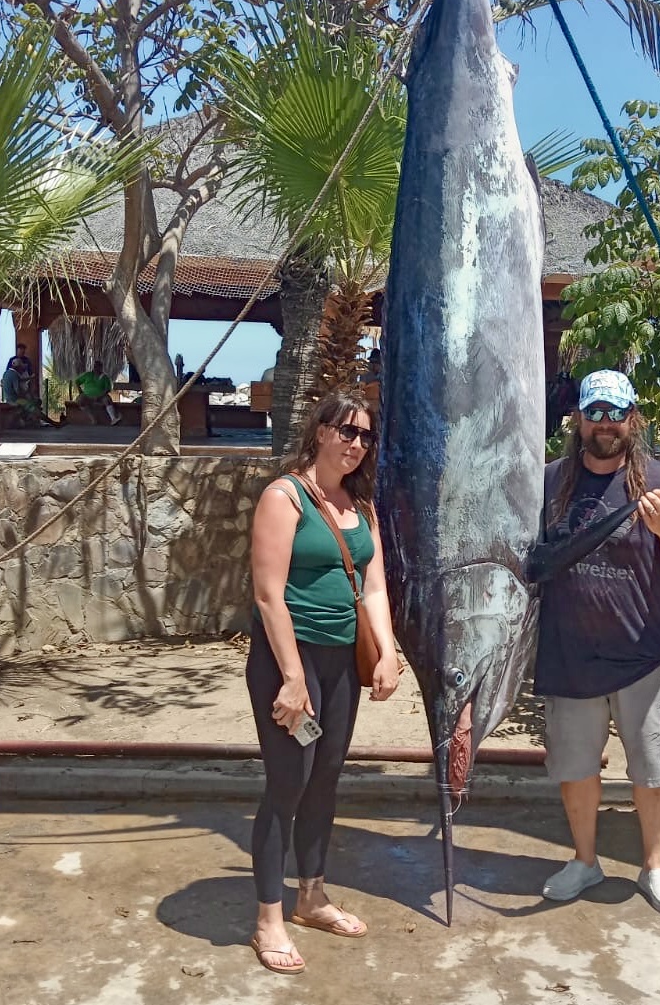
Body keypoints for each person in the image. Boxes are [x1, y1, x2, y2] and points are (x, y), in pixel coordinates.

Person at [533, 368, 660, 917]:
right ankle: (585, 860)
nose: (605, 424)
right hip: (570, 657)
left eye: (615, 413)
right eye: (594, 413)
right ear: (579, 420)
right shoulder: (549, 482)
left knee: (654, 767)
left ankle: (655, 866)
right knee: (576, 767)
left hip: (642, 657)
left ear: (633, 418)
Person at [246, 389, 401, 975]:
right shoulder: (284, 497)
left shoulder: (360, 507)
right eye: (345, 431)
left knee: (326, 779)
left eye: (365, 436)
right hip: (290, 663)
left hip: (340, 666)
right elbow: (268, 593)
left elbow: (376, 587)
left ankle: (310, 895)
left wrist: (386, 652)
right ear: (319, 432)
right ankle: (269, 918)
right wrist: (291, 678)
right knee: (288, 784)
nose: (356, 444)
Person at [75, 360, 120, 425]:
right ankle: (93, 419)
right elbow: (77, 381)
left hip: (101, 397)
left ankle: (113, 419)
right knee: (80, 400)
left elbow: (107, 389)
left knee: (107, 400)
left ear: (101, 367)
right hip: (87, 396)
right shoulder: (88, 374)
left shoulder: (105, 377)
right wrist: (80, 392)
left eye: (98, 366)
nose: (96, 368)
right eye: (95, 366)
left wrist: (99, 396)